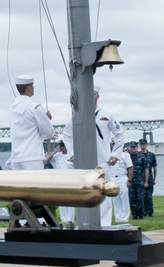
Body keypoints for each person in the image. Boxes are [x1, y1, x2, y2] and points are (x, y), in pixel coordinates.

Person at [61, 86, 125, 226]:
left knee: (105, 194)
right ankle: (84, 223)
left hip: (103, 160)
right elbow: (66, 135)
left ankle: (105, 224)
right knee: (83, 192)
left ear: (98, 96)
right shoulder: (77, 115)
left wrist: (116, 154)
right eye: (89, 94)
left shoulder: (106, 114)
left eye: (94, 94)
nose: (92, 97)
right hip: (84, 161)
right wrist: (72, 153)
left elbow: (120, 134)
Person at [9, 75, 55, 170]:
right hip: (32, 157)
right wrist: (47, 120)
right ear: (29, 88)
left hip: (16, 157)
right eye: (32, 85)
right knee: (35, 184)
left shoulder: (12, 109)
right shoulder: (35, 107)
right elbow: (48, 133)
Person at [44, 141, 75, 225]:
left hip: (70, 180)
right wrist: (54, 152)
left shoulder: (72, 155)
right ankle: (64, 219)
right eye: (60, 146)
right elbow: (46, 161)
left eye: (63, 145)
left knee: (70, 200)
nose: (62, 147)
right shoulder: (57, 156)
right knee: (61, 200)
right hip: (60, 180)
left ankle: (70, 219)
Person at [106, 140, 133, 223]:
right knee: (115, 198)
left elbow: (130, 168)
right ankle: (118, 218)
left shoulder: (125, 155)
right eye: (112, 144)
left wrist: (130, 180)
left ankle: (125, 218)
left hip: (122, 177)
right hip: (112, 178)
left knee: (124, 197)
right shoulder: (109, 155)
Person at [136, 139, 158, 217]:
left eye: (144, 144)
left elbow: (154, 167)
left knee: (149, 196)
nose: (142, 145)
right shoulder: (137, 155)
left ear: (146, 145)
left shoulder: (151, 155)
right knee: (141, 196)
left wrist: (154, 179)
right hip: (140, 178)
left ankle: (150, 211)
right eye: (141, 144)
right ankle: (143, 211)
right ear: (139, 145)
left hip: (150, 178)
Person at [125, 142, 143, 219]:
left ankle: (141, 214)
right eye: (131, 147)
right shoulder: (127, 156)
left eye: (134, 147)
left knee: (140, 198)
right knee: (132, 199)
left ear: (137, 147)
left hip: (139, 180)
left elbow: (146, 169)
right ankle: (134, 215)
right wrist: (125, 150)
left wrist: (146, 181)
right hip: (131, 180)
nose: (133, 149)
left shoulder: (141, 156)